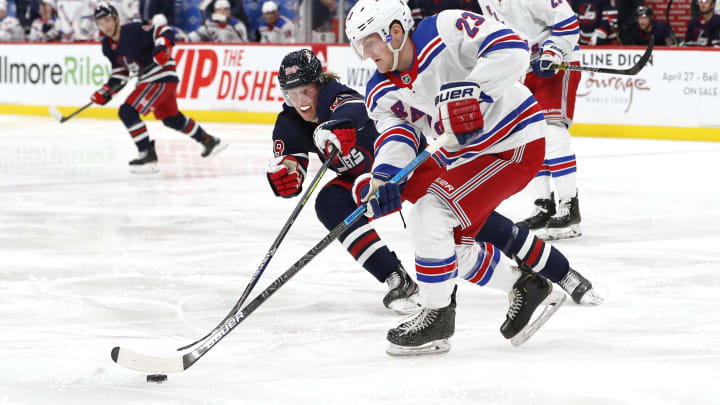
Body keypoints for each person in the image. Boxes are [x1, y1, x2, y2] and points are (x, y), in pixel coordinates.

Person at [345, 0, 602, 356]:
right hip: (469, 158)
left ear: (395, 32)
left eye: (369, 41)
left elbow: (511, 46)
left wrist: (475, 90)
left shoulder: (443, 29)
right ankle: (525, 286)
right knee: (451, 244)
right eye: (359, 45)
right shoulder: (380, 91)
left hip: (515, 141)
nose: (365, 53)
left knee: (430, 212)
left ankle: (437, 315)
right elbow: (397, 136)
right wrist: (385, 175)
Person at [267, 49, 420, 314]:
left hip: (408, 166)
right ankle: (396, 277)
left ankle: (518, 246)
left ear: (320, 83)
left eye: (307, 90)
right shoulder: (291, 120)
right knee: (329, 203)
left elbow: (355, 109)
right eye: (292, 94)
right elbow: (292, 163)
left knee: (463, 224)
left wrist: (338, 125)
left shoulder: (335, 98)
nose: (301, 101)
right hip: (365, 184)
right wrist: (287, 176)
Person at [476, 0, 583, 240]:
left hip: (558, 63)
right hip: (524, 69)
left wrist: (553, 50)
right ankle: (543, 205)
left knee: (552, 132)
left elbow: (567, 21)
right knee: (530, 135)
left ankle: (569, 204)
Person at [90, 2, 227, 173]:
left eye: (108, 21)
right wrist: (106, 91)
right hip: (150, 79)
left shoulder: (132, 31)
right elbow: (121, 73)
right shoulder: (107, 46)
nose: (105, 26)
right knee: (170, 118)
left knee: (127, 111)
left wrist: (162, 48)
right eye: (101, 23)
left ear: (116, 19)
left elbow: (163, 30)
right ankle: (209, 141)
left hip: (160, 75)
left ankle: (147, 155)